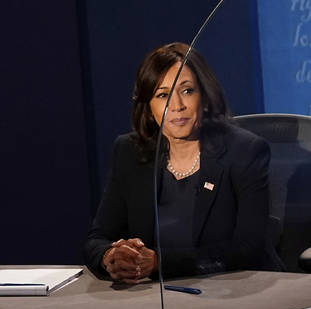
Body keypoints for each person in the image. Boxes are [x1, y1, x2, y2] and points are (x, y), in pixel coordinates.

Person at [84, 43, 281, 282]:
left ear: (205, 98)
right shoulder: (129, 152)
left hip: (236, 291)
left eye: (187, 91)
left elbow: (248, 249)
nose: (177, 106)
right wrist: (111, 257)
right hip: (155, 299)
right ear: (148, 109)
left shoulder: (244, 150)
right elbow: (98, 237)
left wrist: (158, 262)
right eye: (162, 95)